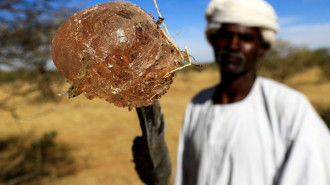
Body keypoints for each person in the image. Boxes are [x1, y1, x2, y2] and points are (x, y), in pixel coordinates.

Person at [174, 0, 330, 185]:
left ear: (262, 49)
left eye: (245, 38)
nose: (233, 45)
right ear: (214, 41)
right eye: (225, 35)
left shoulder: (291, 108)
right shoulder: (198, 104)